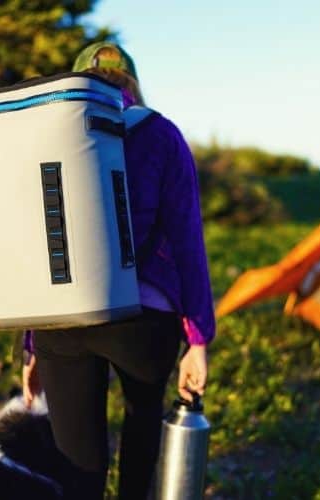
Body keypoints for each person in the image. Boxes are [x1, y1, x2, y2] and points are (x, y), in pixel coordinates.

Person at [21, 42, 215, 500]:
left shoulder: (47, 136)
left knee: (79, 464)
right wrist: (198, 338)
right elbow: (188, 240)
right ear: (133, 86)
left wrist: (32, 344)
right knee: (143, 416)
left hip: (61, 318)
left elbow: (37, 246)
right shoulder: (162, 135)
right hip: (144, 320)